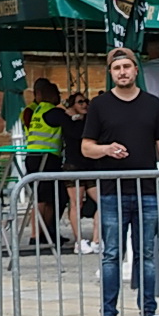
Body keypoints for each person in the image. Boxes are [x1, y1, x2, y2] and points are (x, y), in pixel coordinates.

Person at [81, 47, 159, 316]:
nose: (122, 72)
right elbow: (86, 148)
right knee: (111, 254)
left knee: (147, 254)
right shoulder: (100, 106)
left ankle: (149, 312)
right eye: (116, 68)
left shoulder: (153, 104)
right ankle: (108, 315)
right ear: (111, 73)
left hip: (147, 191)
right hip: (112, 193)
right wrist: (107, 149)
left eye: (127, 67)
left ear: (136, 70)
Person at [21, 78, 69, 248]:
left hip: (37, 156)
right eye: (57, 94)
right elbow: (69, 125)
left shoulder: (37, 111)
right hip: (45, 158)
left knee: (49, 198)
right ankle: (36, 235)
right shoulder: (52, 111)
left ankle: (46, 232)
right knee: (42, 198)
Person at [60, 91, 98, 254]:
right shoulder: (68, 121)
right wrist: (71, 115)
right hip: (74, 165)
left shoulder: (91, 121)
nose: (84, 105)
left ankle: (96, 240)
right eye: (80, 102)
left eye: (86, 102)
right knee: (76, 203)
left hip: (90, 166)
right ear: (73, 105)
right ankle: (79, 240)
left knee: (103, 201)